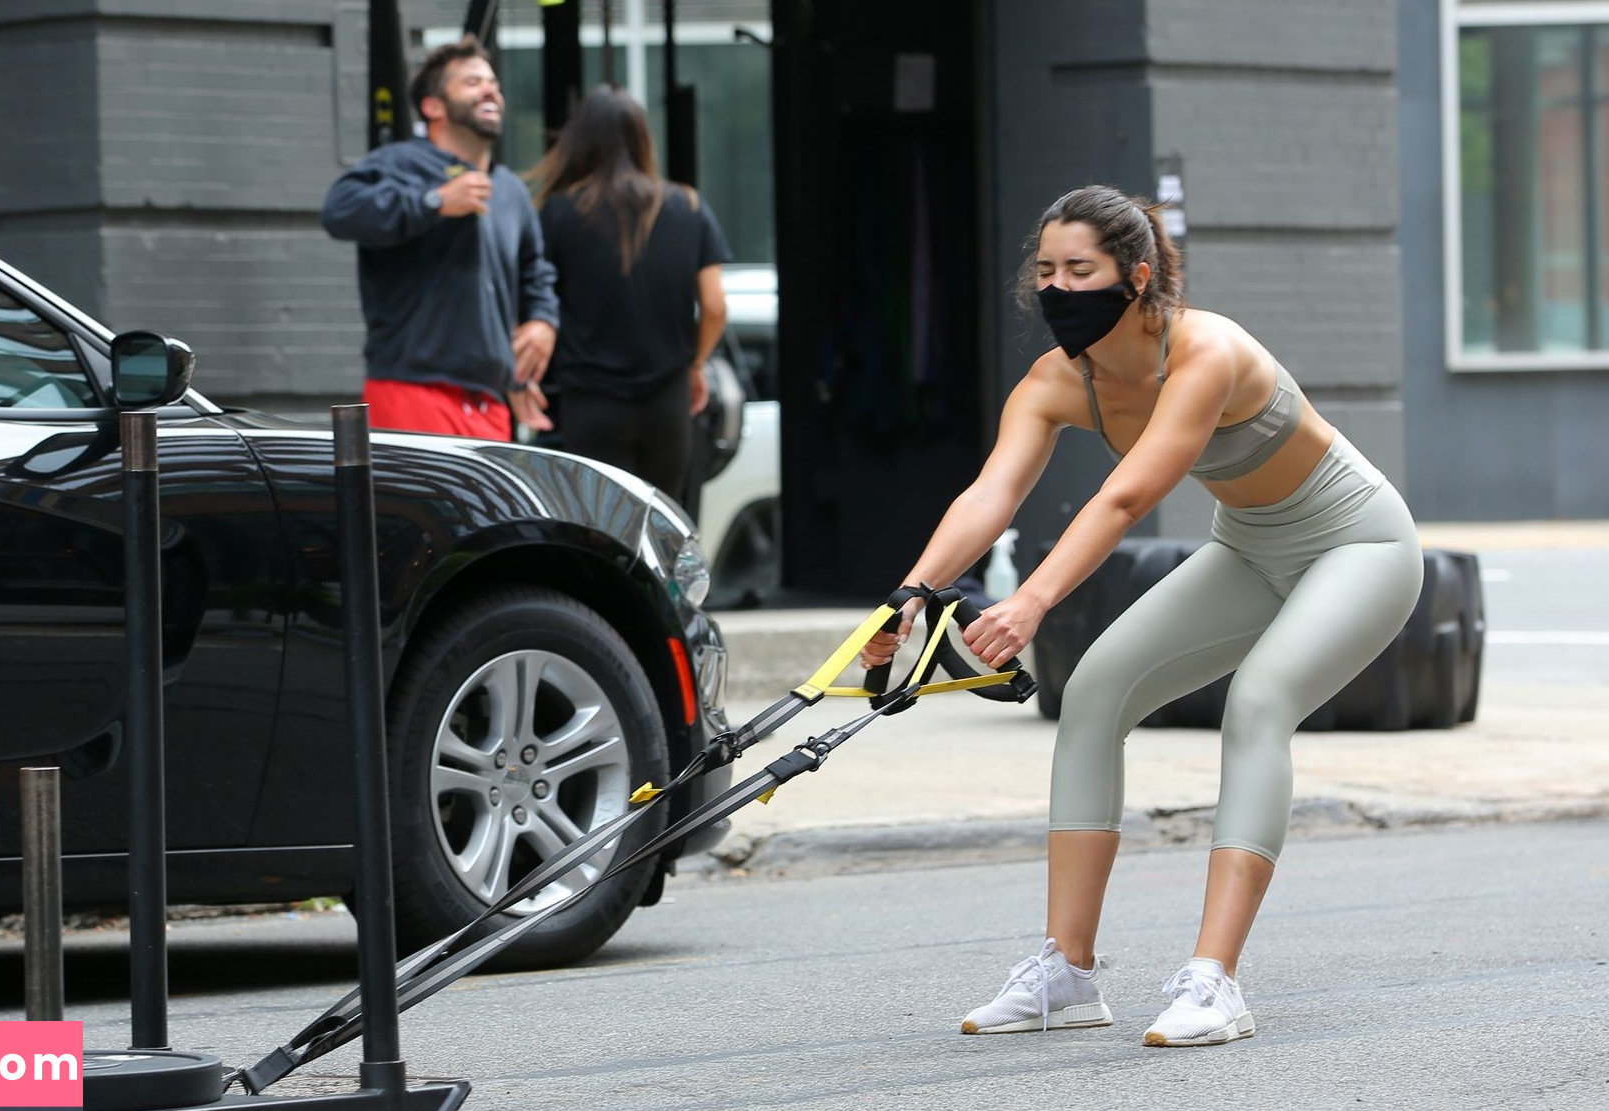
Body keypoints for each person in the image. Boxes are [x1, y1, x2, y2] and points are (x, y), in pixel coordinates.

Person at [861, 185, 1422, 1047]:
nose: (1059, 288)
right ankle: (1067, 972)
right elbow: (989, 495)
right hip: (1250, 552)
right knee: (1095, 691)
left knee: (1259, 702)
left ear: (1137, 275)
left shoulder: (1207, 350)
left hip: (1360, 546)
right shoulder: (1056, 382)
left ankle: (1214, 982)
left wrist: (1031, 600)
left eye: (1080, 270)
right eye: (1046, 271)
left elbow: (1125, 498)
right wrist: (909, 595)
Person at [320, 36, 558, 439]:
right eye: (472, 82)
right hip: (412, 391)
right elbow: (338, 211)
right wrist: (434, 202)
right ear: (433, 106)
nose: (490, 91)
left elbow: (536, 272)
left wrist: (543, 322)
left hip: (491, 403)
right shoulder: (399, 164)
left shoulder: (511, 190)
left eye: (493, 83)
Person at [527, 85, 729, 498]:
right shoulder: (688, 205)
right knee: (661, 522)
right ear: (642, 137)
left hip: (590, 402)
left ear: (578, 141)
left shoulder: (558, 211)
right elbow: (714, 305)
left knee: (601, 526)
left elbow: (533, 298)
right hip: (667, 399)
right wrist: (695, 364)